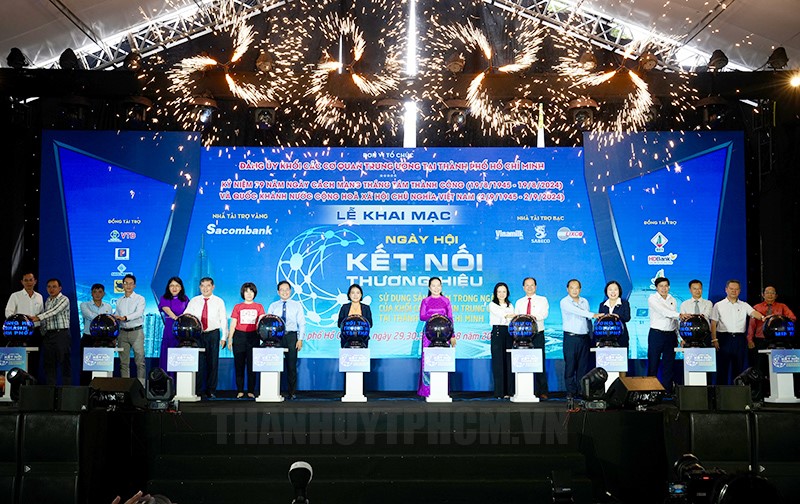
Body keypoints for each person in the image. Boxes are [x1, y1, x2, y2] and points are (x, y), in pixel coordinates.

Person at [710, 280, 764, 385]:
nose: (734, 291)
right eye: (731, 289)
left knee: (739, 367)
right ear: (726, 290)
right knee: (722, 367)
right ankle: (721, 391)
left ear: (739, 291)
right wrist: (714, 339)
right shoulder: (718, 305)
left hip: (739, 339)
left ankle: (738, 391)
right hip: (724, 338)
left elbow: (753, 313)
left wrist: (763, 317)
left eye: (736, 289)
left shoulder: (744, 305)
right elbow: (713, 323)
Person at [747, 286, 796, 394]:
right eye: (767, 292)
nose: (770, 295)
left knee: (779, 366)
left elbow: (793, 318)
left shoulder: (782, 306)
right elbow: (751, 325)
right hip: (761, 340)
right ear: (763, 295)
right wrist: (750, 340)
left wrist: (777, 318)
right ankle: (759, 393)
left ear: (776, 295)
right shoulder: (756, 307)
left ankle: (782, 392)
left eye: (772, 293)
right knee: (759, 367)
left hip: (779, 341)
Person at [185, 277, 227, 399]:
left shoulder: (219, 301)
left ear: (213, 287)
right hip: (197, 335)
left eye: (208, 285)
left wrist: (224, 336)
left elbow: (223, 319)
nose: (205, 288)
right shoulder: (194, 301)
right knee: (198, 363)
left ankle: (211, 390)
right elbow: (187, 315)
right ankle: (197, 390)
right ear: (199, 287)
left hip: (213, 334)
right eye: (203, 286)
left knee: (212, 363)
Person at [560, 279, 599, 398]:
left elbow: (587, 321)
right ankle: (571, 391)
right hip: (570, 338)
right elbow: (577, 312)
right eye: (572, 288)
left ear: (580, 289)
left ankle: (582, 390)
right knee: (570, 366)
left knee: (583, 366)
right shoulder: (564, 302)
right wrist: (593, 315)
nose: (574, 290)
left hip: (584, 338)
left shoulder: (584, 301)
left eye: (577, 288)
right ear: (567, 289)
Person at [267, 281, 305, 400]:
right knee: (274, 363)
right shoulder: (273, 306)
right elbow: (268, 322)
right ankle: (274, 391)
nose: (285, 292)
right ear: (278, 292)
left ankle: (291, 392)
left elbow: (301, 323)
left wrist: (300, 339)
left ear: (290, 291)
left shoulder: (297, 305)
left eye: (287, 289)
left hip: (291, 336)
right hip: (276, 336)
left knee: (291, 365)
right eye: (282, 290)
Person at [418, 277, 455, 397]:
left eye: (438, 285)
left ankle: (441, 389)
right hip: (429, 334)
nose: (436, 288)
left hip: (444, 334)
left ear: (441, 287)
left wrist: (452, 335)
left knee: (442, 359)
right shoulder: (425, 301)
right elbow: (422, 316)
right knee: (428, 360)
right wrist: (434, 315)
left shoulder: (446, 301)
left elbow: (450, 319)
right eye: (433, 286)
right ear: (429, 287)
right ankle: (427, 390)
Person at [514, 277, 549, 399]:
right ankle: (527, 390)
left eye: (532, 285)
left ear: (536, 286)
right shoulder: (519, 302)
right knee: (524, 362)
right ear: (523, 287)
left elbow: (543, 314)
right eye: (527, 285)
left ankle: (542, 391)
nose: (529, 287)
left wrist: (529, 317)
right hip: (522, 337)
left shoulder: (542, 300)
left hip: (537, 334)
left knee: (539, 362)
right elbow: (517, 318)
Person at [228, 282, 265, 398]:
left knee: (252, 365)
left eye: (251, 291)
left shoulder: (259, 306)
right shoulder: (237, 307)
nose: (249, 294)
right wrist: (230, 339)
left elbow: (262, 323)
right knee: (239, 364)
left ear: (255, 293)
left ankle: (250, 391)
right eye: (246, 291)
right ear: (242, 293)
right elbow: (233, 324)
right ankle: (240, 390)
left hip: (253, 337)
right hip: (239, 337)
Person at [4, 272, 44, 380]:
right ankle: (17, 383)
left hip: (35, 332)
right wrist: (21, 321)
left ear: (35, 281)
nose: (28, 282)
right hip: (20, 333)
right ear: (22, 282)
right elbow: (8, 313)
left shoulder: (39, 297)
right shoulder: (15, 296)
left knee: (34, 360)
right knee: (18, 360)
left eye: (31, 280)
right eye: (26, 280)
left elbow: (41, 315)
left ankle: (31, 384)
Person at [31, 278, 71, 385]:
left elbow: (54, 311)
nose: (51, 289)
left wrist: (38, 317)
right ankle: (51, 390)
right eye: (49, 287)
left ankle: (67, 390)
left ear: (60, 288)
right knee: (49, 365)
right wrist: (42, 332)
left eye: (54, 287)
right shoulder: (48, 300)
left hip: (61, 334)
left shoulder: (64, 299)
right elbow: (46, 319)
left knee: (64, 363)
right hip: (49, 335)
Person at [647, 277, 680, 393]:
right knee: (653, 363)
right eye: (661, 286)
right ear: (656, 287)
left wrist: (679, 335)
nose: (664, 288)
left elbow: (674, 320)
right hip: (657, 335)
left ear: (669, 287)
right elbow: (664, 312)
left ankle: (667, 392)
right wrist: (680, 315)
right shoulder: (652, 298)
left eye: (666, 286)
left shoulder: (673, 299)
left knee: (669, 365)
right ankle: (650, 392)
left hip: (671, 335)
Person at [114, 274, 146, 385]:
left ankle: (141, 387)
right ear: (122, 285)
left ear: (134, 285)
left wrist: (125, 317)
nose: (128, 286)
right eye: (126, 283)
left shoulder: (140, 299)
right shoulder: (119, 301)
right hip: (122, 332)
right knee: (123, 363)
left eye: (131, 284)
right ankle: (125, 387)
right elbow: (117, 314)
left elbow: (139, 313)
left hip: (136, 332)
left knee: (140, 362)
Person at [79, 283, 112, 385]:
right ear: (91, 293)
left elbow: (110, 323)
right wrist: (104, 318)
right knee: (86, 367)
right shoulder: (84, 305)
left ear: (104, 294)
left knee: (102, 367)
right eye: (95, 292)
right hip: (88, 338)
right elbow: (90, 316)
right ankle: (85, 390)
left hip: (103, 339)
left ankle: (102, 389)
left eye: (100, 292)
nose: (97, 294)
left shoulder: (108, 306)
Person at [157, 277, 190, 378]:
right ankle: (166, 380)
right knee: (167, 355)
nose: (174, 288)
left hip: (182, 331)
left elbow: (189, 311)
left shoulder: (185, 299)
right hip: (169, 329)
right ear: (168, 287)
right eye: (172, 285)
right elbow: (166, 309)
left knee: (180, 355)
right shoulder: (164, 298)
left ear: (181, 287)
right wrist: (176, 318)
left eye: (177, 286)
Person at [488, 282, 515, 399]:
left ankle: (509, 391)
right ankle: (499, 392)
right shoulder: (492, 305)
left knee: (509, 362)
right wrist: (509, 315)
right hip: (497, 333)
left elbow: (512, 319)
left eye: (504, 291)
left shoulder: (510, 305)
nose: (501, 294)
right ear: (495, 293)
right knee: (498, 362)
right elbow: (503, 315)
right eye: (499, 292)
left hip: (509, 333)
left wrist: (510, 315)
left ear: (507, 293)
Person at [598, 280, 631, 348]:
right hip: (605, 339)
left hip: (621, 337)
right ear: (606, 291)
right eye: (610, 290)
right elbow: (600, 321)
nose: (613, 292)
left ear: (619, 291)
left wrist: (618, 316)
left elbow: (627, 318)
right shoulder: (602, 305)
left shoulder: (624, 303)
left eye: (615, 289)